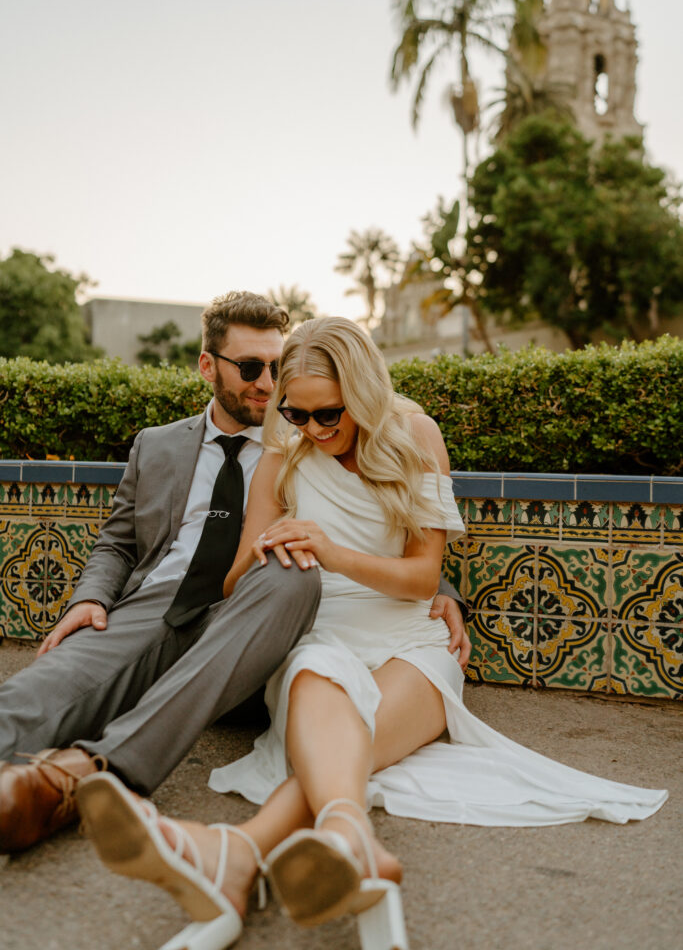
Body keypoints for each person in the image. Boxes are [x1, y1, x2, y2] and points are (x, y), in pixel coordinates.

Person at [77, 317, 667, 950]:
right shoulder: (286, 439)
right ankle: (339, 842)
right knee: (320, 681)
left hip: (409, 641)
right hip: (318, 635)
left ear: (362, 391)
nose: (314, 430)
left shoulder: (415, 434)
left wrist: (331, 551)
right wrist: (268, 553)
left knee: (340, 743)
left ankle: (240, 852)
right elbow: (233, 580)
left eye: (329, 413)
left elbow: (422, 577)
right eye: (298, 415)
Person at [0, 293, 468, 855]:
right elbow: (118, 542)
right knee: (32, 696)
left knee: (291, 574)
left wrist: (442, 594)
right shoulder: (164, 445)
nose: (268, 385)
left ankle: (100, 771)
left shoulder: (334, 437)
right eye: (251, 369)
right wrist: (90, 598)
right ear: (209, 366)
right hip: (162, 605)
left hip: (277, 620)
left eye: (276, 368)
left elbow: (396, 539)